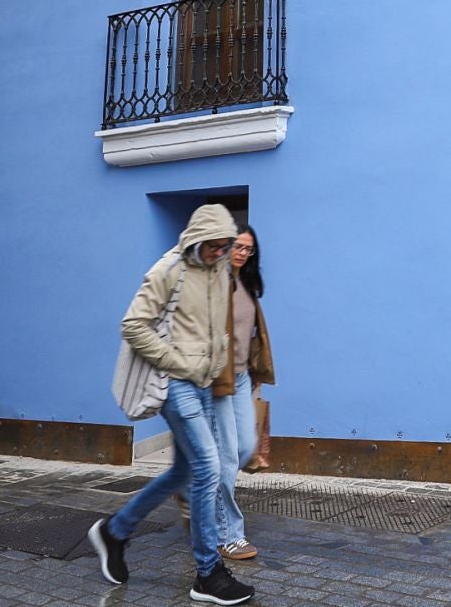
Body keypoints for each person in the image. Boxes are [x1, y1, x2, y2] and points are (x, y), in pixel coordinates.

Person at [89, 204, 254, 606]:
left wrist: (217, 370)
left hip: (205, 383)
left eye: (224, 246)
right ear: (197, 239)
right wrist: (176, 362)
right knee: (208, 467)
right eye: (213, 246)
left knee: (185, 470)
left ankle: (115, 530)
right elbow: (132, 324)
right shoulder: (169, 269)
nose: (219, 253)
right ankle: (208, 573)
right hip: (174, 382)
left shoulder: (219, 270)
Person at [211, 225, 274, 561]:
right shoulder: (214, 283)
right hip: (216, 382)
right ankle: (229, 535)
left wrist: (256, 377)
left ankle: (199, 491)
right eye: (237, 245)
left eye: (248, 249)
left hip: (241, 380)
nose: (242, 252)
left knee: (246, 447)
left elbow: (251, 337)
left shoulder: (249, 285)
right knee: (227, 457)